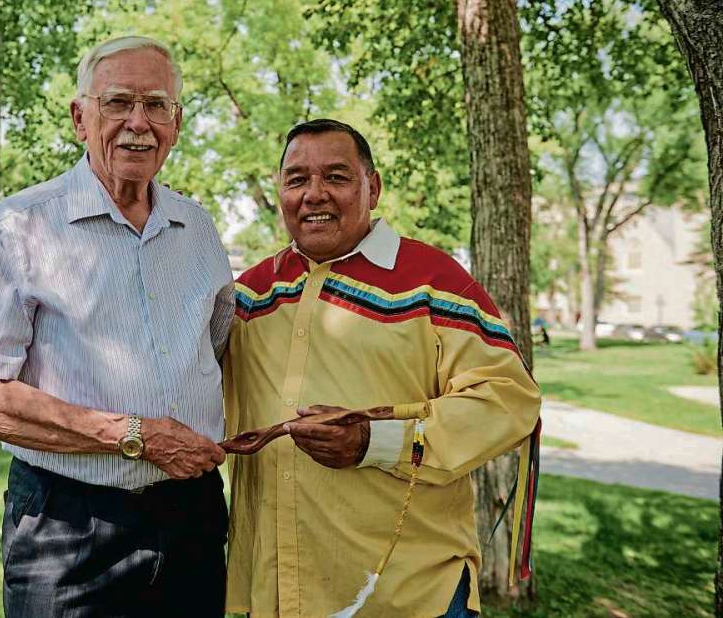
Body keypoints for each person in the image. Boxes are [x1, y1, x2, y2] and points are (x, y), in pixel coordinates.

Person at [0, 35, 234, 617]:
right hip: (69, 526)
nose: (138, 124)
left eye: (156, 106)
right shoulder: (19, 226)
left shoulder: (199, 229)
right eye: (118, 103)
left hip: (191, 517)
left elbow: (223, 356)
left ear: (177, 122)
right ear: (80, 117)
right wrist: (136, 435)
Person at [223, 119, 541, 617]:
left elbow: (508, 398)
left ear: (373, 187)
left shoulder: (433, 282)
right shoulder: (253, 293)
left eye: (336, 176)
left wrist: (376, 442)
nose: (315, 194)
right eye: (297, 179)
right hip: (281, 590)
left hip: (408, 593)